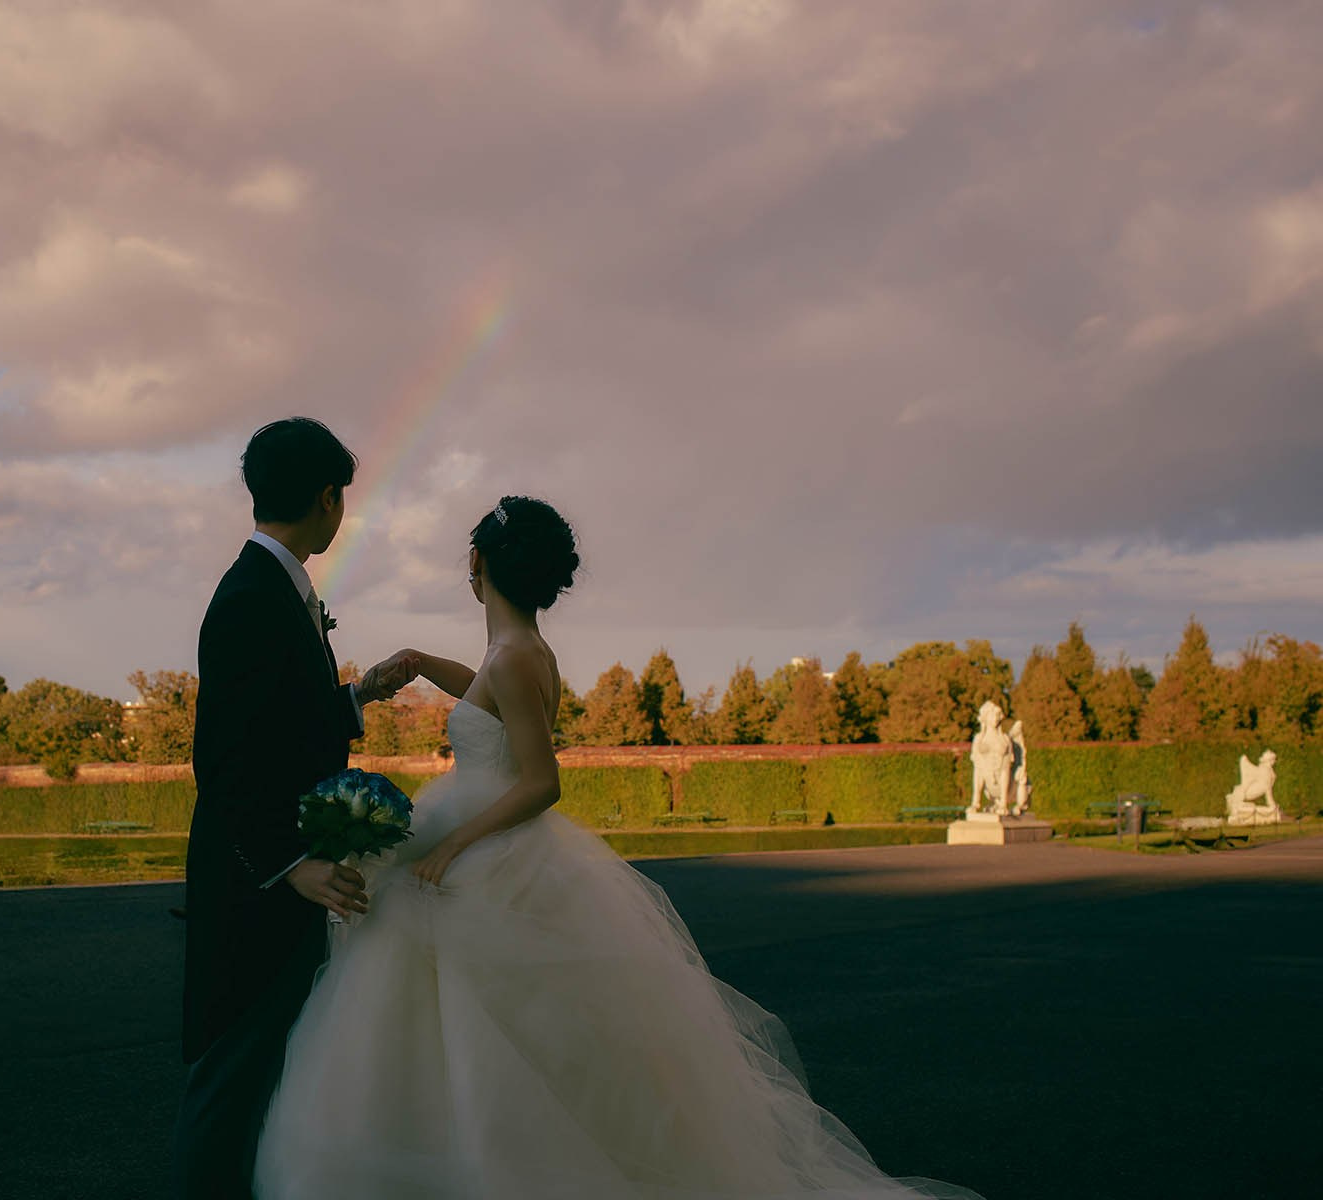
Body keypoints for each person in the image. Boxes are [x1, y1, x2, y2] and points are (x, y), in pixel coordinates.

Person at [255, 496, 979, 1199]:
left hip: (487, 838)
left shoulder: (511, 657)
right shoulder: (519, 650)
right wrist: (423, 662)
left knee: (466, 1022)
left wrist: (453, 848)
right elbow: (487, 699)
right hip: (506, 842)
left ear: (475, 561)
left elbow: (542, 782)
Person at [171, 417, 415, 1199]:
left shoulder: (274, 587)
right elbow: (226, 763)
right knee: (232, 1071)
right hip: (253, 889)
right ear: (327, 499)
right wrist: (293, 865)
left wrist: (355, 697)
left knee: (264, 1067)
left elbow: (277, 724)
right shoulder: (252, 596)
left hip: (271, 880)